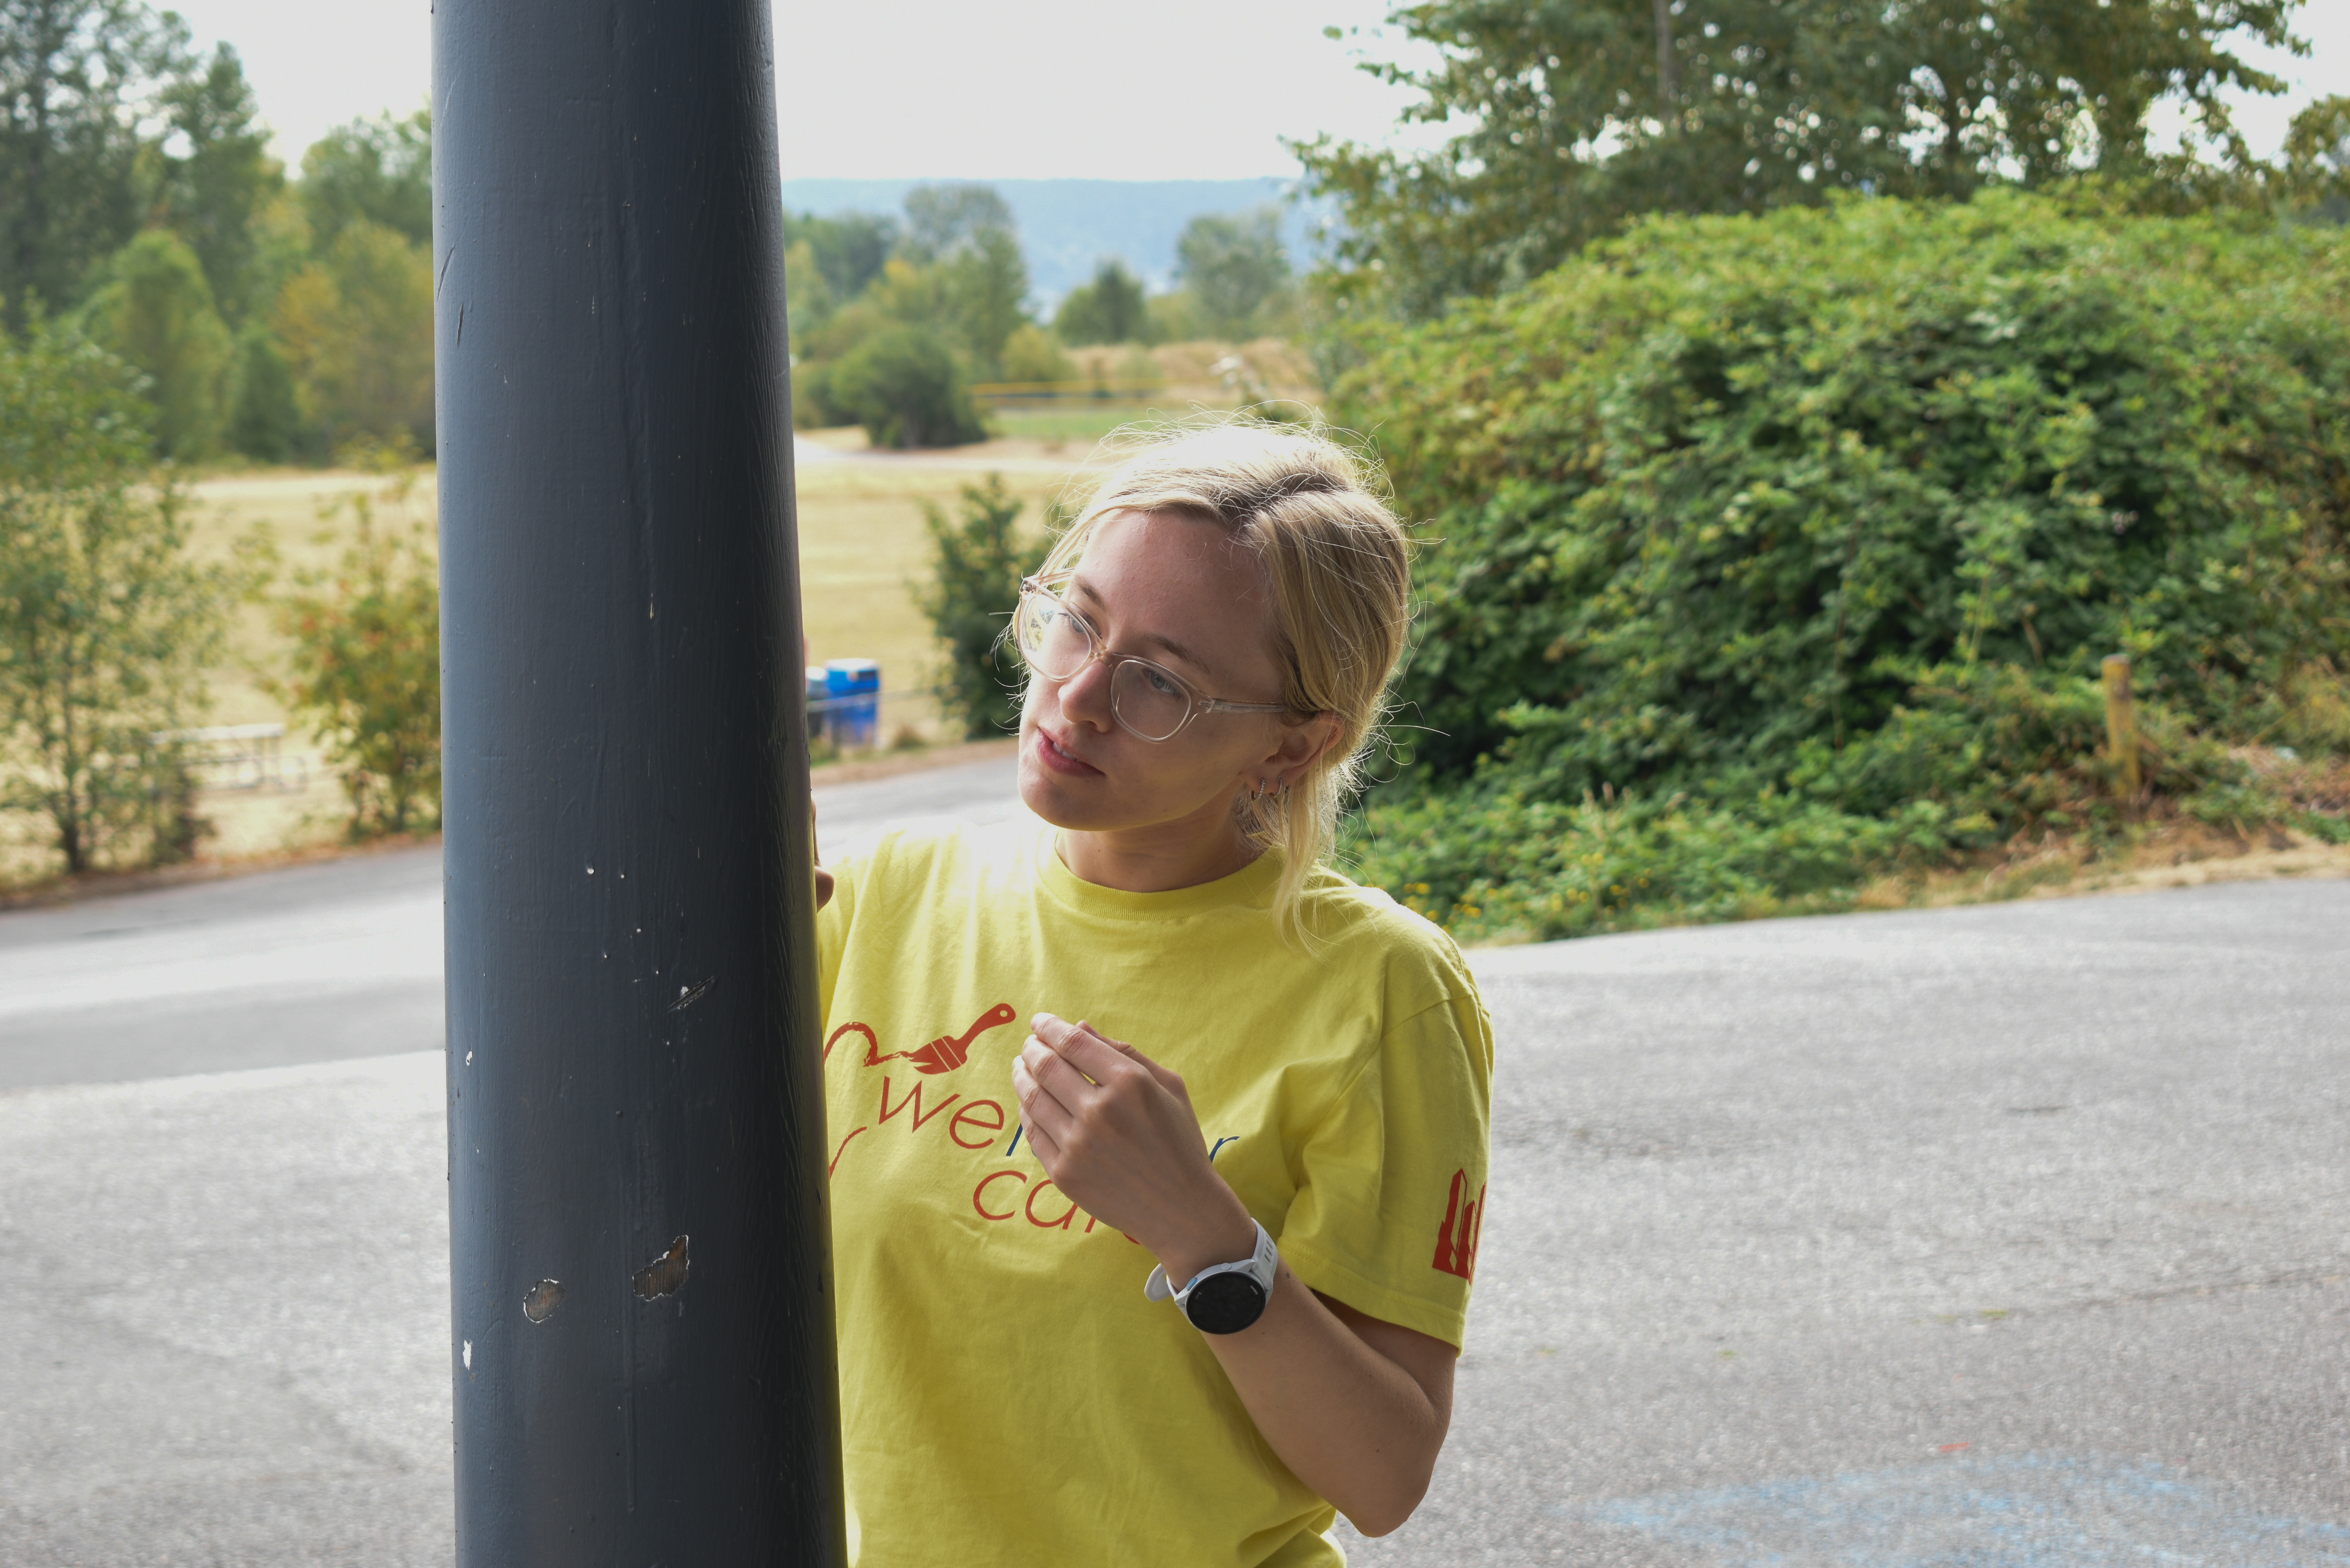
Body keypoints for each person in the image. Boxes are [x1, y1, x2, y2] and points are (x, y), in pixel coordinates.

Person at [812, 421, 1493, 1566]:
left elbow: (1384, 1475)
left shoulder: (1383, 990)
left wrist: (1199, 1230)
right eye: (1075, 619)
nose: (1075, 698)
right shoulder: (880, 901)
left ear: (1292, 746)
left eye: (1161, 685)